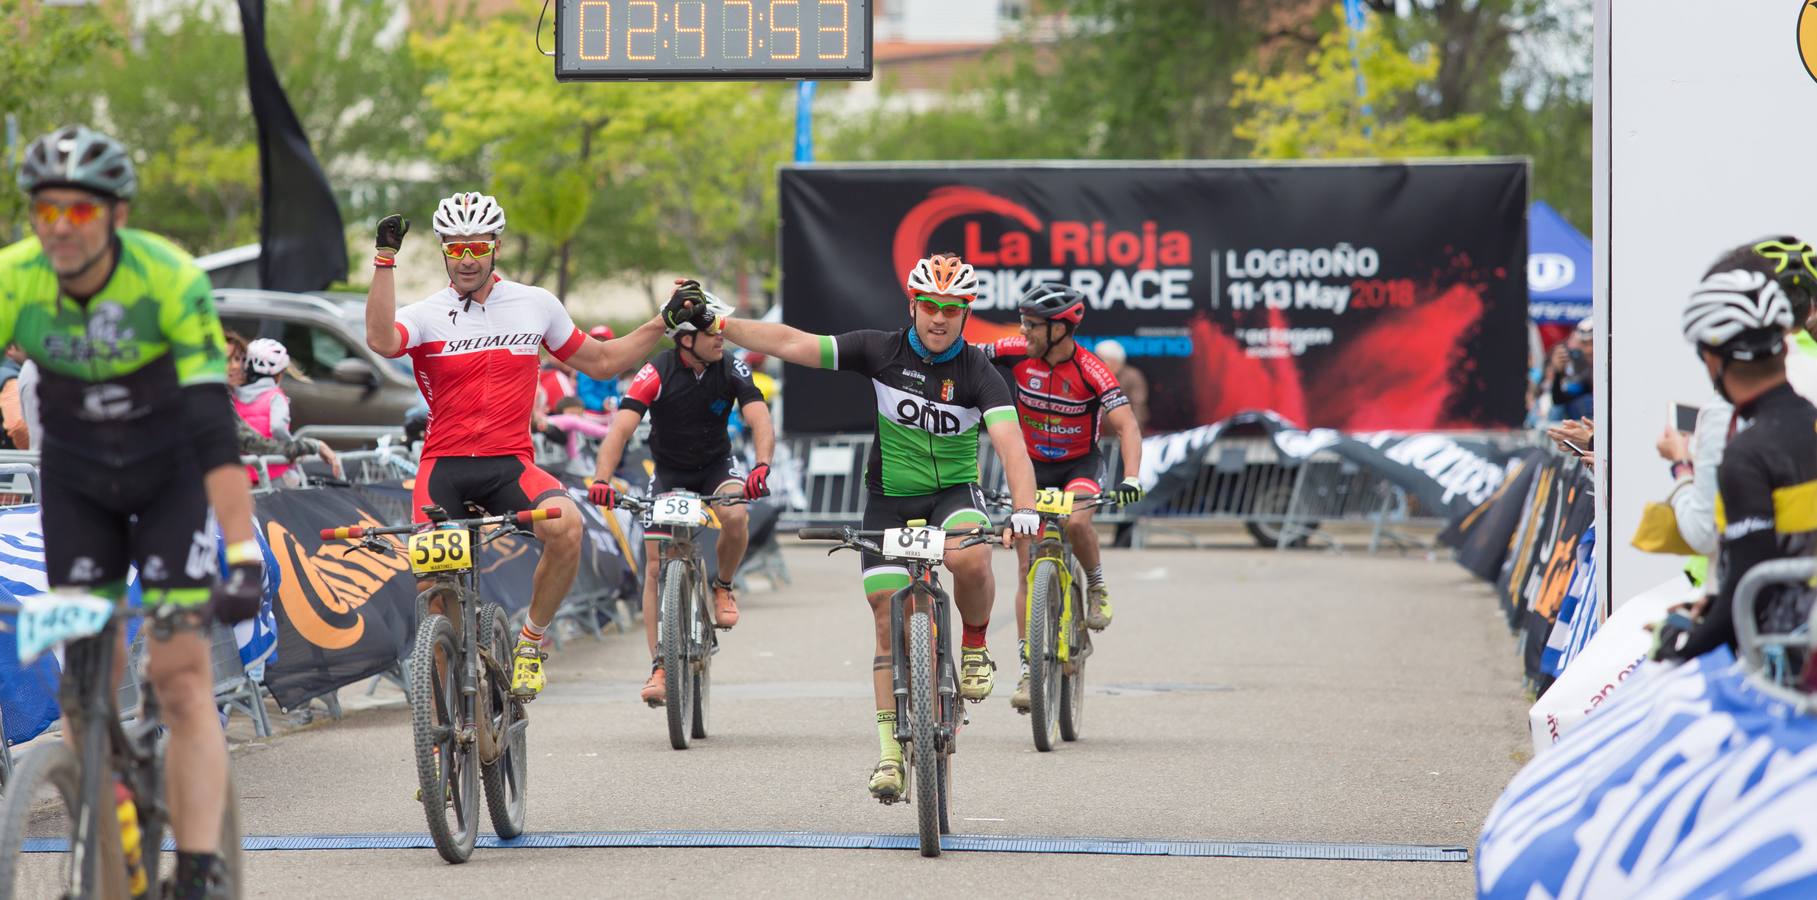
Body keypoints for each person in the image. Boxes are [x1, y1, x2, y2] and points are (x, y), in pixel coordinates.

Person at [0, 123, 266, 898]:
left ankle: (199, 864)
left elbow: (216, 434)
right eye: (45, 212)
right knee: (83, 682)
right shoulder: (17, 276)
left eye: (78, 212)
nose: (59, 229)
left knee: (179, 674)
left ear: (116, 215)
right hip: (77, 483)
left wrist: (242, 553)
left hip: (169, 480)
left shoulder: (167, 278)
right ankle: (112, 854)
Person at [690, 252, 1039, 800]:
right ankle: (889, 754)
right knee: (885, 617)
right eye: (930, 306)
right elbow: (791, 342)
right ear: (913, 305)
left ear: (967, 312)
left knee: (971, 555)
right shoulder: (880, 350)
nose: (939, 318)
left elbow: (1010, 445)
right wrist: (718, 322)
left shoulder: (979, 372)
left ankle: (973, 644)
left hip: (953, 494)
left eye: (952, 308)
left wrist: (1023, 508)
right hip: (888, 500)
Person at [364, 191, 674, 699]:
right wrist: (384, 259)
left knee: (568, 526)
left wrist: (660, 323)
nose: (466, 259)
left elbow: (599, 362)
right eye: (455, 248)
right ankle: (441, 741)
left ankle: (530, 642)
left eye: (477, 248)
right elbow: (380, 339)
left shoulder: (535, 304)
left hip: (509, 464)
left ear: (496, 247)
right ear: (443, 251)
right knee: (435, 597)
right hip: (443, 467)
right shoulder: (427, 313)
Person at [587, 290, 775, 706]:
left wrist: (761, 465)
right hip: (669, 472)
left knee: (736, 515)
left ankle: (723, 586)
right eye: (711, 329)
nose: (720, 335)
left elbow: (758, 414)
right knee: (656, 562)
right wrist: (602, 478)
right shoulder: (657, 369)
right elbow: (619, 429)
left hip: (715, 466)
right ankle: (659, 665)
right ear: (686, 338)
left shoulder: (730, 365)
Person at [974, 284, 1145, 712]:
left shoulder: (1092, 369)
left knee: (1078, 522)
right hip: (1030, 466)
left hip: (1079, 467)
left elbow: (1127, 427)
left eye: (1032, 324)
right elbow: (964, 357)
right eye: (1024, 322)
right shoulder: (1014, 350)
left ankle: (1098, 587)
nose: (1024, 330)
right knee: (1026, 565)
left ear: (1060, 329)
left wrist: (1132, 476)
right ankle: (1030, 669)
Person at [1656, 246, 1817, 662]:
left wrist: (1681, 647)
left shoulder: (1747, 453)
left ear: (1712, 360)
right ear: (1783, 346)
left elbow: (1750, 587)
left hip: (1786, 660)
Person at [224, 331, 338, 481]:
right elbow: (259, 440)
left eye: (239, 359)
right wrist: (308, 447)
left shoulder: (230, 396)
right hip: (269, 474)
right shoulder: (218, 398)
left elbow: (250, 440)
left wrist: (311, 446)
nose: (235, 366)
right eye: (226, 360)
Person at [1091, 338, 1150, 434]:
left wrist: (1131, 434)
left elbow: (1138, 407)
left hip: (1125, 433)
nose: (1096, 363)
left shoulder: (1133, 377)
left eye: (1099, 359)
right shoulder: (1093, 376)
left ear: (1113, 361)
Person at [1546, 318, 1595, 421]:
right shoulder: (1586, 373)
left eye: (1593, 343)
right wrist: (1558, 373)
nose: (1589, 349)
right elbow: (1559, 399)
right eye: (1585, 344)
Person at [574, 324, 623, 414]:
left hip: (608, 412)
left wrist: (615, 402)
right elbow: (585, 394)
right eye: (596, 340)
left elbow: (614, 392)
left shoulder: (612, 366)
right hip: (590, 413)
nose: (599, 344)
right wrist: (600, 405)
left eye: (603, 341)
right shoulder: (585, 366)